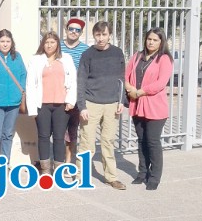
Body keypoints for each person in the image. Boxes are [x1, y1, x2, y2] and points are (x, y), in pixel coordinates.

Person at [76, 21, 127, 190]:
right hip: (91, 104)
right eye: (98, 35)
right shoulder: (87, 54)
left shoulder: (117, 53)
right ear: (94, 35)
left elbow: (121, 79)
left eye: (104, 34)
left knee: (108, 142)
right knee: (86, 142)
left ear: (109, 35)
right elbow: (81, 80)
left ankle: (111, 177)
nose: (101, 38)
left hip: (112, 104)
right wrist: (82, 106)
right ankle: (80, 175)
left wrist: (121, 101)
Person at [125, 28, 173, 190]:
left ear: (161, 42)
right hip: (137, 105)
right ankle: (142, 172)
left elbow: (160, 83)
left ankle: (154, 177)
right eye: (149, 39)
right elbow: (126, 75)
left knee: (152, 141)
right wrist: (129, 87)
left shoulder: (164, 59)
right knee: (141, 140)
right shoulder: (137, 56)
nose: (151, 42)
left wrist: (140, 91)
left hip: (155, 107)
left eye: (155, 40)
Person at [26, 31, 77, 174]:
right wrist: (32, 109)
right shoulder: (36, 60)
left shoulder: (66, 58)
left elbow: (73, 81)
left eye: (52, 42)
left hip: (61, 105)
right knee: (43, 136)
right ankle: (45, 170)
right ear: (43, 44)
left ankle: (59, 171)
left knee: (59, 137)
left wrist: (71, 100)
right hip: (42, 105)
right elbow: (30, 85)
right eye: (46, 42)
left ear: (57, 44)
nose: (49, 45)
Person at [0, 29, 27, 167]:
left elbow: (23, 75)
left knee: (8, 134)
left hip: (14, 102)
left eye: (8, 41)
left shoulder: (17, 56)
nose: (5, 44)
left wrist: (21, 91)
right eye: (2, 41)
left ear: (11, 42)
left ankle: (3, 162)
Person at [60, 18, 89, 165]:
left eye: (77, 30)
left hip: (76, 95)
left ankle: (68, 161)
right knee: (58, 130)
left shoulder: (85, 49)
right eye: (71, 28)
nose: (73, 32)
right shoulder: (57, 46)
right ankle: (57, 160)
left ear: (81, 33)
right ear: (66, 29)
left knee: (72, 130)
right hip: (58, 94)